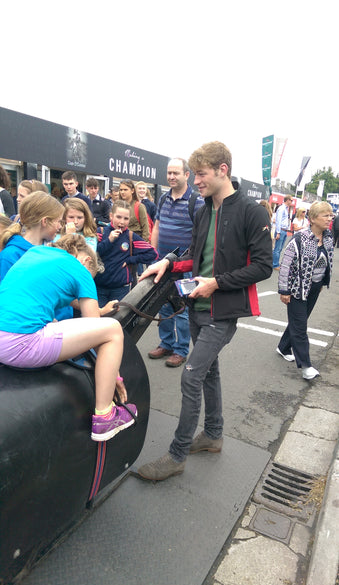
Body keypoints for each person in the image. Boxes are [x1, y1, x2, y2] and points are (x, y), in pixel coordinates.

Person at [137, 141, 272, 481]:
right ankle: (213, 434)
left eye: (200, 174)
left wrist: (217, 283)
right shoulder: (201, 210)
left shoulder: (251, 211)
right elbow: (194, 258)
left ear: (222, 170)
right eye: (195, 175)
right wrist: (165, 263)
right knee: (209, 372)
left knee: (191, 375)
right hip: (195, 304)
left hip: (223, 309)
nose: (195, 181)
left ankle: (177, 454)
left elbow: (263, 266)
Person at [0, 234, 137, 442]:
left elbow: (62, 296)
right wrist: (115, 378)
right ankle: (105, 416)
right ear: (86, 261)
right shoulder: (81, 271)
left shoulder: (36, 252)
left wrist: (99, 308)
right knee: (113, 329)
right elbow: (96, 329)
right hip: (21, 344)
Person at [148, 157, 204, 368]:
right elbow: (157, 227)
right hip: (163, 265)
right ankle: (166, 343)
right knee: (163, 305)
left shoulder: (197, 201)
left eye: (176, 173)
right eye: (169, 173)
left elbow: (200, 236)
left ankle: (181, 350)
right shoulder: (162, 199)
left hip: (185, 269)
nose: (171, 177)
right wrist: (155, 256)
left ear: (187, 175)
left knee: (182, 309)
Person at [276, 201, 333, 380]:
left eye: (331, 215)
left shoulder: (329, 237)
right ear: (313, 218)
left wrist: (323, 281)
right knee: (300, 326)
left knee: (298, 321)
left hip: (315, 287)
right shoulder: (300, 238)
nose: (330, 219)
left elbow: (327, 261)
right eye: (326, 215)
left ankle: (283, 347)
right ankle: (306, 366)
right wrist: (284, 290)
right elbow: (285, 265)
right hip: (297, 289)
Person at [95, 200, 158, 304]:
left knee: (118, 319)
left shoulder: (130, 237)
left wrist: (131, 259)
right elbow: (94, 253)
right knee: (99, 318)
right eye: (118, 217)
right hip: (99, 286)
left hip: (120, 288)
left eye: (126, 218)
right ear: (111, 216)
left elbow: (153, 254)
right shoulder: (101, 232)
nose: (122, 222)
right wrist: (109, 241)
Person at [0, 191, 64, 281]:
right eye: (58, 221)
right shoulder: (10, 255)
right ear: (45, 221)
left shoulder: (54, 249)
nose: (60, 226)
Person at [272, 195, 293, 269]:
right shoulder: (281, 208)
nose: (291, 202)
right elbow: (278, 220)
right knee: (277, 249)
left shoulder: (285, 209)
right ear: (287, 200)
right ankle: (275, 264)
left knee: (280, 248)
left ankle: (275, 262)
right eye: (291, 200)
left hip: (284, 230)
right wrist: (278, 232)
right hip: (281, 230)